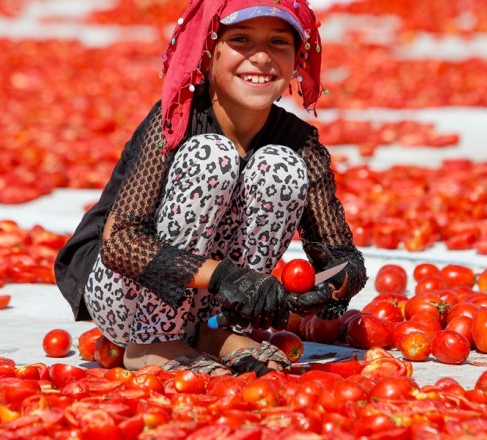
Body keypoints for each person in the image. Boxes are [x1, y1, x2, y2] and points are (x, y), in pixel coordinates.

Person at [54, 0, 366, 376]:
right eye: (241, 39)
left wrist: (326, 287)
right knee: (211, 155)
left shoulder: (298, 141)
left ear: (297, 58)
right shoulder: (177, 119)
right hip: (127, 296)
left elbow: (342, 256)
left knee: (281, 166)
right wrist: (224, 277)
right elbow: (120, 242)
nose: (261, 57)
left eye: (279, 43)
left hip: (211, 306)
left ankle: (221, 332)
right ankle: (155, 342)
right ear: (208, 53)